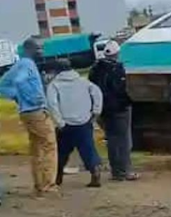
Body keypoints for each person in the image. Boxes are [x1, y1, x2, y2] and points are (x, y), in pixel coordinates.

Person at [0, 37, 58, 195]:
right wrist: (31, 98)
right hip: (36, 110)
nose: (42, 52)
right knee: (49, 145)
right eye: (38, 48)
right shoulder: (27, 64)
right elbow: (19, 81)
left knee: (37, 148)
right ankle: (48, 185)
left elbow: (2, 84)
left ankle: (39, 185)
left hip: (26, 112)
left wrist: (16, 96)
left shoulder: (18, 65)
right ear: (28, 49)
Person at [46, 59, 103, 188]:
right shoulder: (83, 81)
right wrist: (95, 112)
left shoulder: (54, 85)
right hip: (84, 121)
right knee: (88, 148)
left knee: (61, 152)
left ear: (56, 70)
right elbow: (97, 93)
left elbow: (52, 104)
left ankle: (57, 176)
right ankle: (94, 170)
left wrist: (59, 122)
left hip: (66, 124)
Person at [88, 40, 138, 181]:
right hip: (119, 109)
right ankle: (124, 171)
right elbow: (120, 90)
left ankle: (116, 171)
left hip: (102, 109)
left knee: (112, 140)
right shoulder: (117, 69)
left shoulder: (95, 69)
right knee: (123, 141)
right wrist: (128, 101)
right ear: (117, 53)